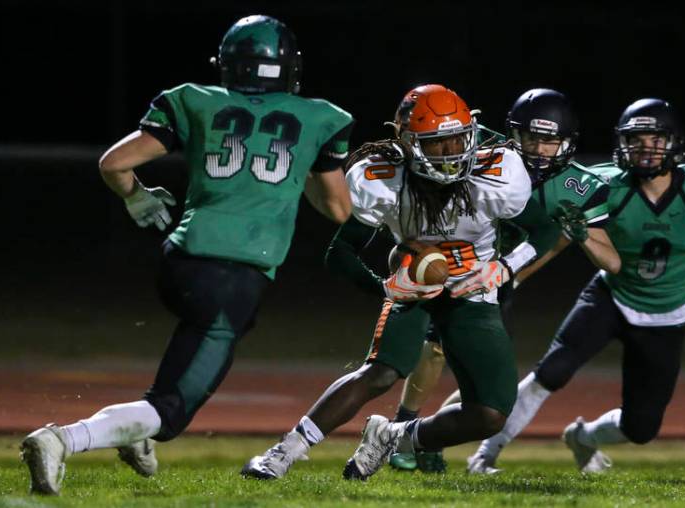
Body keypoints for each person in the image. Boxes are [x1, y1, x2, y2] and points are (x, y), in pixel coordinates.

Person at [20, 15, 353, 496]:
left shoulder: (194, 99)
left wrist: (136, 197)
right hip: (235, 278)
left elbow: (114, 164)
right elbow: (338, 209)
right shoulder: (322, 117)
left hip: (180, 262)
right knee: (171, 410)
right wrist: (298, 170)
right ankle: (62, 438)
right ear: (288, 67)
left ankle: (134, 431)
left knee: (181, 363)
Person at [241, 84, 611, 481]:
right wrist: (384, 288)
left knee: (490, 414)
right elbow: (341, 252)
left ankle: (394, 437)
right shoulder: (383, 175)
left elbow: (540, 230)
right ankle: (284, 452)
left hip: (473, 290)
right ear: (409, 142)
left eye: (459, 139)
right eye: (438, 143)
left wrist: (503, 268)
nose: (452, 152)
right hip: (416, 286)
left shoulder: (498, 170)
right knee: (381, 371)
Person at [467, 98, 685, 474]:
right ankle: (484, 455)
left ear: (674, 143)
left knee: (641, 428)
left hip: (669, 314)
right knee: (551, 372)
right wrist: (511, 279)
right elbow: (557, 239)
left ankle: (583, 437)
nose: (645, 149)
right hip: (612, 295)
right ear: (621, 143)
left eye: (654, 139)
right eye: (636, 140)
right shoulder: (603, 185)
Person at [386, 88, 620, 473]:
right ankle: (402, 424)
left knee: (486, 380)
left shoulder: (581, 186)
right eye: (532, 138)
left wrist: (524, 269)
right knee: (436, 349)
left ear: (567, 143)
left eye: (550, 140)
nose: (540, 149)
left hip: (501, 276)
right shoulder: (482, 150)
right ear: (514, 134)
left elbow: (604, 259)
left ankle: (426, 436)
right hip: (453, 263)